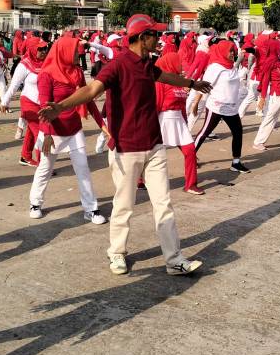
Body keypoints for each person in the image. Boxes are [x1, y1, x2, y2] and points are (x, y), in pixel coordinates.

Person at [39, 14, 211, 276]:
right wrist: (60, 107)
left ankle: (174, 260)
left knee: (163, 204)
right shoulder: (118, 64)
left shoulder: (148, 63)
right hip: (126, 149)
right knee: (124, 205)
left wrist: (192, 83)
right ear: (142, 37)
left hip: (154, 146)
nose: (159, 39)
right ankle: (117, 253)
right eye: (154, 35)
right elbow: (91, 90)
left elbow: (165, 77)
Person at [28, 36, 108, 222]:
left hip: (74, 128)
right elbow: (44, 108)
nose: (78, 54)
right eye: (74, 51)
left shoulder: (77, 72)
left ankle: (91, 209)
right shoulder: (46, 74)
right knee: (45, 168)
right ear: (63, 51)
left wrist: (102, 125)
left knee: (83, 169)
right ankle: (35, 203)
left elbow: (87, 99)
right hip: (53, 130)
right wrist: (47, 134)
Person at [193, 40, 251, 169]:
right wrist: (196, 103)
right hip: (216, 107)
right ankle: (190, 157)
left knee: (238, 132)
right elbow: (203, 86)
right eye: (230, 51)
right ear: (223, 51)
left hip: (231, 108)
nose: (232, 53)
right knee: (204, 133)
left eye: (233, 51)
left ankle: (236, 163)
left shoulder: (231, 66)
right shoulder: (215, 67)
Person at [155, 52, 203, 194]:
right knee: (151, 152)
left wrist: (185, 122)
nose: (181, 65)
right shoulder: (160, 82)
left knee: (190, 151)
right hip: (163, 119)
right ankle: (140, 180)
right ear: (170, 63)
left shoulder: (179, 81)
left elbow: (182, 105)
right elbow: (156, 104)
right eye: (178, 63)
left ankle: (191, 184)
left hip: (179, 121)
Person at [1, 36, 49, 167]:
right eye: (40, 49)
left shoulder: (46, 62)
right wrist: (5, 102)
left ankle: (25, 156)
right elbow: (14, 85)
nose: (44, 51)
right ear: (32, 49)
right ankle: (43, 165)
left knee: (31, 132)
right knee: (40, 133)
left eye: (45, 48)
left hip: (42, 103)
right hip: (28, 103)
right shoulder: (24, 65)